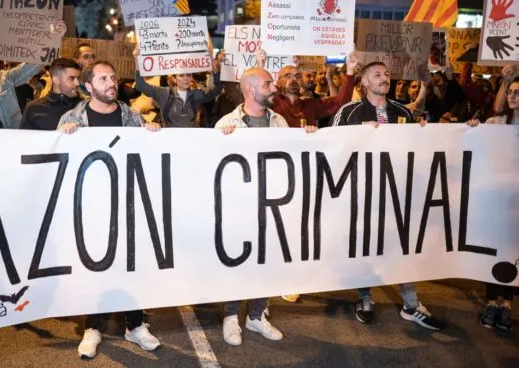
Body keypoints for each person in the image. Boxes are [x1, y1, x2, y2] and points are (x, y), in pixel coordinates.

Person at [56, 60, 162, 359]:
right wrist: (63, 136)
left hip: (128, 203)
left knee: (131, 264)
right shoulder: (71, 118)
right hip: (90, 207)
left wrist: (152, 132)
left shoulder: (131, 117)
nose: (111, 82)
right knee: (95, 266)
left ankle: (135, 324)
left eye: (113, 77)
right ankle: (93, 327)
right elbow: (59, 164)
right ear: (88, 87)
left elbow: (149, 159)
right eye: (103, 79)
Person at [331, 61, 444, 331]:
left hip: (396, 194)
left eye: (387, 74)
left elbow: (419, 148)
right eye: (377, 75)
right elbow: (331, 148)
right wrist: (358, 134)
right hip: (361, 195)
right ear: (365, 83)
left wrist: (426, 132)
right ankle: (365, 297)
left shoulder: (403, 111)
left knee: (401, 246)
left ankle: (411, 303)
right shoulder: (349, 112)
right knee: (364, 247)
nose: (385, 78)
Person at [214, 67, 317, 346]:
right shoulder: (226, 123)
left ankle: (256, 316)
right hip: (240, 210)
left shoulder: (279, 122)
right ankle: (231, 318)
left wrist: (307, 136)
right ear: (250, 89)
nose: (274, 87)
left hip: (272, 208)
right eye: (268, 83)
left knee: (267, 262)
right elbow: (213, 170)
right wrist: (221, 142)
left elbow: (293, 159)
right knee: (237, 263)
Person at [465, 76, 519, 330]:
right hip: (494, 200)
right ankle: (491, 303)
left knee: (512, 253)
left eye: (518, 93)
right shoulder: (494, 123)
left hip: (515, 204)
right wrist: (472, 129)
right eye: (510, 91)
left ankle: (506, 304)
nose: (513, 96)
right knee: (492, 252)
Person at [133, 45, 224, 127]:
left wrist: (214, 69)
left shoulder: (196, 94)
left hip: (190, 139)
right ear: (175, 78)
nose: (185, 78)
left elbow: (217, 90)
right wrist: (137, 60)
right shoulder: (164, 93)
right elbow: (141, 86)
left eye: (188, 75)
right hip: (169, 140)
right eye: (181, 75)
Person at [269, 50, 357, 129]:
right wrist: (260, 63)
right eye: (288, 76)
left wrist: (350, 70)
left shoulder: (310, 105)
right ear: (279, 81)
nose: (294, 79)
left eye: (298, 76)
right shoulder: (273, 102)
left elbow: (340, 103)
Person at [20, 58, 81, 130]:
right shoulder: (34, 108)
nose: (77, 83)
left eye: (78, 78)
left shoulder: (83, 107)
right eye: (71, 78)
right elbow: (24, 139)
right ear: (56, 80)